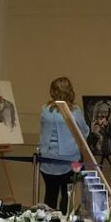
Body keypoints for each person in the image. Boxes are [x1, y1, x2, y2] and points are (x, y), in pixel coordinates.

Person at [38, 77, 90, 210]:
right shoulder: (74, 111)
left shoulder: (45, 109)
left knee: (50, 193)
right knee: (67, 195)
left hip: (47, 157)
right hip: (70, 158)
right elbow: (84, 132)